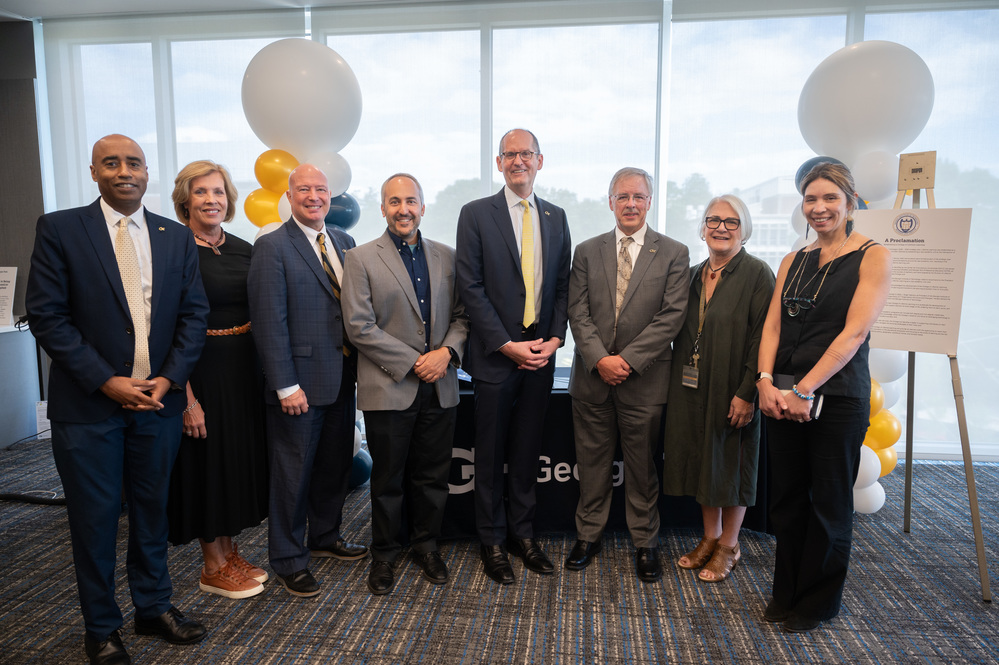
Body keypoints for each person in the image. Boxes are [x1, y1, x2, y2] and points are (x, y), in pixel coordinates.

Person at [25, 134, 209, 665]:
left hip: (158, 403)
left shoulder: (175, 238)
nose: (124, 171)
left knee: (153, 513)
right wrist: (106, 380)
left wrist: (170, 380)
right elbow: (48, 316)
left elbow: (195, 316)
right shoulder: (60, 229)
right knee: (95, 519)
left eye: (134, 162)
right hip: (89, 408)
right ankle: (101, 628)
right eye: (112, 162)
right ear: (93, 172)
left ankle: (154, 608)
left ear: (148, 173)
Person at [757, 162, 891, 633]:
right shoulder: (793, 260)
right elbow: (773, 325)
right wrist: (765, 380)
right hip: (781, 396)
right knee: (787, 500)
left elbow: (853, 334)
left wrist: (803, 387)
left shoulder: (872, 255)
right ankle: (786, 592)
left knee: (829, 502)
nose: (819, 208)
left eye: (830, 198)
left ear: (850, 202)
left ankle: (817, 603)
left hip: (835, 397)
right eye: (811, 199)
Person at [342, 173, 469, 595]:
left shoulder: (448, 257)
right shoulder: (361, 258)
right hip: (389, 385)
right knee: (389, 478)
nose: (403, 209)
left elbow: (463, 317)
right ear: (382, 208)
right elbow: (359, 326)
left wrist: (447, 354)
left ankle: (426, 545)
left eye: (410, 201)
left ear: (422, 206)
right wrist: (417, 361)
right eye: (394, 201)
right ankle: (384, 554)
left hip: (441, 386)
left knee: (432, 476)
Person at [455, 128, 571, 584]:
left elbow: (562, 285)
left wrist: (556, 339)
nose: (518, 161)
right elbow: (471, 286)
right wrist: (506, 344)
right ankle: (493, 542)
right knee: (489, 454)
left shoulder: (556, 216)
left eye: (527, 154)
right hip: (496, 356)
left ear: (540, 161)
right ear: (499, 162)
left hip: (541, 355)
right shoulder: (475, 214)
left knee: (527, 451)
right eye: (510, 154)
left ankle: (523, 536)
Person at [247, 163, 367, 599]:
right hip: (297, 385)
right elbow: (268, 322)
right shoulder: (273, 246)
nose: (313, 196)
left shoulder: (343, 240)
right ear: (289, 195)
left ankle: (325, 536)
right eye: (304, 189)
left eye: (320, 189)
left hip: (343, 377)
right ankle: (288, 558)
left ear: (330, 194)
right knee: (292, 475)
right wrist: (284, 385)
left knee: (333, 464)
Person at [564, 167, 689, 582]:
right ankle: (588, 535)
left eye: (638, 196)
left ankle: (645, 541)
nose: (630, 204)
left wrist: (627, 361)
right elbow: (576, 311)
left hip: (646, 382)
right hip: (592, 378)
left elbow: (671, 318)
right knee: (592, 463)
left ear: (650, 201)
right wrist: (601, 359)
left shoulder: (673, 252)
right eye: (622, 197)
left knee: (641, 468)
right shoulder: (586, 250)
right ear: (611, 202)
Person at [166, 160, 269, 599]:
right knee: (206, 465)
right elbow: (165, 327)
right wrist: (185, 397)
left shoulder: (245, 248)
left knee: (233, 462)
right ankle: (211, 566)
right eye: (202, 192)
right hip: (199, 372)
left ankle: (229, 554)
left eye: (219, 192)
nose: (211, 200)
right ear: (185, 199)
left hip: (243, 372)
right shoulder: (173, 250)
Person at [662, 195, 775, 583]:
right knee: (703, 461)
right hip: (692, 386)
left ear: (744, 229)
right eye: (714, 220)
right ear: (703, 227)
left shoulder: (758, 274)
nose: (721, 228)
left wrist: (747, 392)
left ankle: (730, 544)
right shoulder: (692, 274)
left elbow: (764, 337)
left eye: (731, 222)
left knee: (732, 463)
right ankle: (708, 538)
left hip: (734, 386)